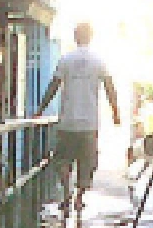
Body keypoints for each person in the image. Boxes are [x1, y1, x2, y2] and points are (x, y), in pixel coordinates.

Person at [36, 23, 121, 214]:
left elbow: (54, 85)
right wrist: (116, 111)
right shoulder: (98, 61)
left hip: (68, 121)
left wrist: (40, 109)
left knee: (63, 160)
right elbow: (110, 87)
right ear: (90, 37)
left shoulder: (65, 60)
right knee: (87, 161)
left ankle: (67, 193)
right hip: (89, 123)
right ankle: (79, 197)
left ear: (75, 37)